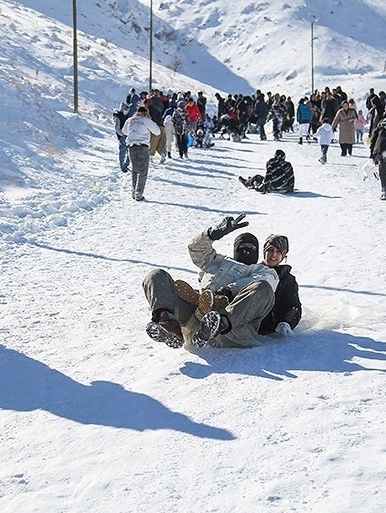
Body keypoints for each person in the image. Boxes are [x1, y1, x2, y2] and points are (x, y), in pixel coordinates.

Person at [143, 214, 278, 349]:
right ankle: (169, 324)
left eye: (251, 248)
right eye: (242, 247)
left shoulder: (264, 271)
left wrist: (229, 290)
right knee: (156, 275)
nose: (247, 251)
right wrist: (211, 234)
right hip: (196, 312)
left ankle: (217, 325)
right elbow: (195, 249)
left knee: (264, 288)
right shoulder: (217, 261)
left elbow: (263, 281)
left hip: (232, 326)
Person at [257, 235, 301, 336]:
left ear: (283, 255)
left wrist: (286, 323)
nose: (273, 255)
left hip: (268, 328)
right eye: (270, 250)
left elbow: (293, 307)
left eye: (278, 252)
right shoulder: (253, 271)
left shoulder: (287, 279)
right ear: (264, 251)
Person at [121, 105, 161, 201]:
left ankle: (133, 192)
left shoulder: (130, 120)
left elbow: (124, 131)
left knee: (135, 169)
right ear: (145, 113)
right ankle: (138, 193)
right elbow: (157, 132)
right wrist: (150, 120)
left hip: (131, 146)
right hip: (142, 146)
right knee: (143, 171)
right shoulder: (146, 120)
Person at [113, 102, 130, 173]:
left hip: (128, 136)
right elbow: (117, 127)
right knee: (122, 151)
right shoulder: (117, 116)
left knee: (129, 151)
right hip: (122, 137)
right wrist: (122, 134)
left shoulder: (125, 116)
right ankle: (122, 166)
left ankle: (126, 164)